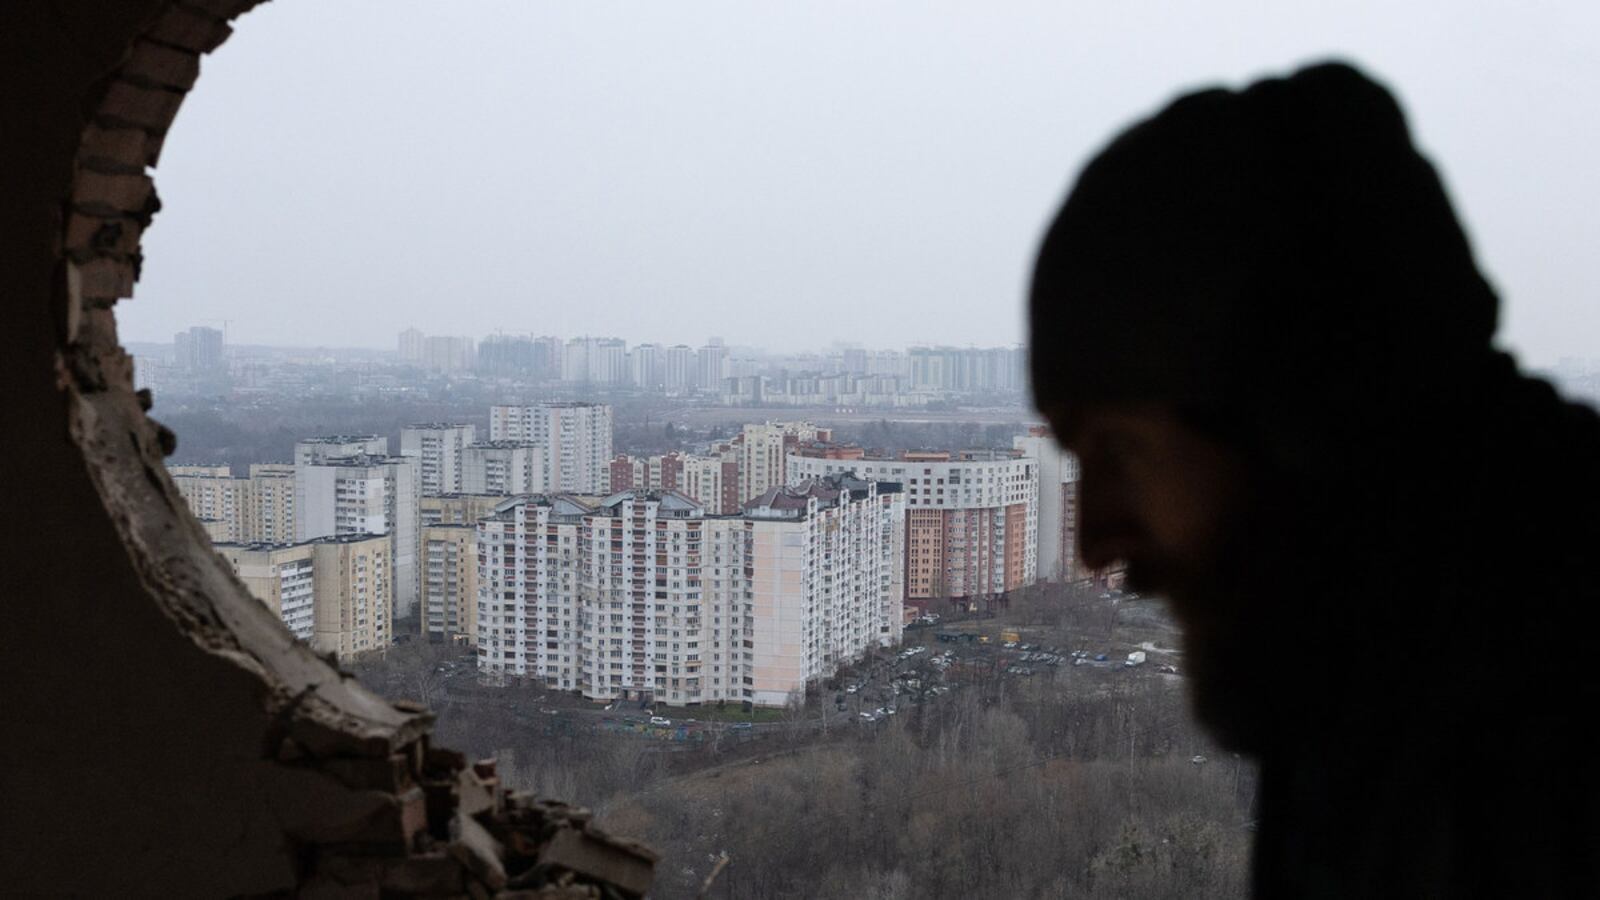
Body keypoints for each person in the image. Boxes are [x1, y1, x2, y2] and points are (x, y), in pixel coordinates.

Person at [1028, 61, 1600, 897]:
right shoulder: (1380, 707)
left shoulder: (1544, 763)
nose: (1094, 541)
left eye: (1120, 452)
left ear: (1305, 419)